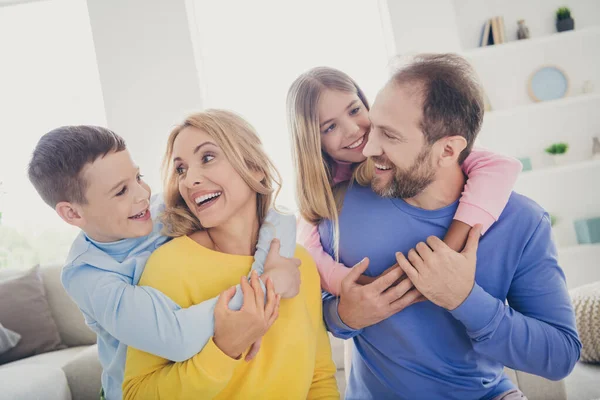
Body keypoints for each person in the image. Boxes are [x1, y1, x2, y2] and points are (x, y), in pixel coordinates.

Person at [319, 54, 581, 399]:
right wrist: (343, 315)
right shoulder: (341, 207)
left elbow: (560, 356)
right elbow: (320, 305)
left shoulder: (521, 222)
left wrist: (464, 298)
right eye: (374, 126)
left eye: (390, 136)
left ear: (448, 149)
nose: (368, 147)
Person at [28, 126, 301, 400]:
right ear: (73, 213)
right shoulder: (87, 276)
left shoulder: (161, 211)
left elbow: (278, 216)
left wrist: (262, 283)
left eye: (138, 177)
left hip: (202, 376)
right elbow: (176, 338)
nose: (143, 194)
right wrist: (265, 291)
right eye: (121, 190)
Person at [123, 110, 339, 399]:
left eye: (208, 157)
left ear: (254, 167)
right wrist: (224, 348)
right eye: (181, 170)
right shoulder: (170, 265)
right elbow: (137, 393)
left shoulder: (299, 263)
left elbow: (319, 378)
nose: (189, 181)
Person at [287, 66, 522, 295]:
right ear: (312, 142)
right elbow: (310, 254)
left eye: (354, 110)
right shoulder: (327, 197)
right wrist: (373, 286)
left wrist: (446, 252)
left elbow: (499, 166)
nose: (352, 130)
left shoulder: (409, 149)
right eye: (330, 127)